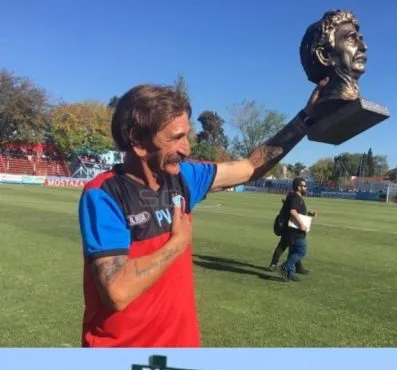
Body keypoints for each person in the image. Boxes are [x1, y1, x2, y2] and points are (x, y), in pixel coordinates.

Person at [78, 80, 325, 347]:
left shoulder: (183, 177)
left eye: (187, 135)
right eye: (176, 138)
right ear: (138, 141)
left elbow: (249, 167)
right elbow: (118, 291)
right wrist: (177, 244)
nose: (187, 148)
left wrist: (305, 118)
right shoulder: (104, 194)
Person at [269, 177, 316, 280]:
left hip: (294, 230)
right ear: (298, 187)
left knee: (293, 251)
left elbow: (297, 212)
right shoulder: (294, 197)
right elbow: (293, 212)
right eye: (304, 186)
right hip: (295, 231)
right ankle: (284, 267)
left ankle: (290, 274)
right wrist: (302, 225)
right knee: (301, 251)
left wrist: (308, 215)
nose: (306, 187)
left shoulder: (296, 197)